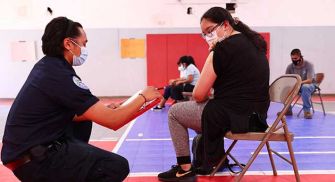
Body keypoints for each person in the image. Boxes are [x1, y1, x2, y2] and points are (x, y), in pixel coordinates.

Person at [1, 17, 161, 182]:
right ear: (68, 44)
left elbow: (78, 113)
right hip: (35, 160)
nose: (84, 49)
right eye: (83, 43)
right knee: (115, 166)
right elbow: (114, 122)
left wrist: (104, 111)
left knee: (83, 120)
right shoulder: (60, 75)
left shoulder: (48, 67)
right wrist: (143, 97)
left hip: (23, 154)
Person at [158, 7, 270, 181]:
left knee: (175, 112)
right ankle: (213, 155)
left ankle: (184, 168)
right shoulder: (254, 44)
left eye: (209, 31)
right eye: (204, 34)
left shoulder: (221, 48)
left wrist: (211, 54)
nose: (208, 36)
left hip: (235, 116)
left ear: (225, 25)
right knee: (204, 110)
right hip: (257, 117)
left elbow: (198, 95)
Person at [285, 48, 315, 119]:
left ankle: (307, 111)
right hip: (296, 86)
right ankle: (287, 110)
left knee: (305, 87)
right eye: (292, 58)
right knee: (286, 88)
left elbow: (309, 80)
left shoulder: (309, 65)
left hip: (309, 85)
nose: (294, 60)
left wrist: (298, 83)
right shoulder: (290, 67)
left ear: (300, 56)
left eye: (295, 58)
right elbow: (287, 79)